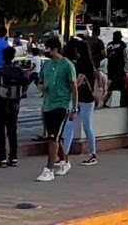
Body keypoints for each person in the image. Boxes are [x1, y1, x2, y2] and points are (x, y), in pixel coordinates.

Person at [35, 37, 77, 183]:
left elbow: (73, 87)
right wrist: (41, 87)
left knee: (53, 137)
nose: (46, 52)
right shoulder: (46, 65)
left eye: (48, 49)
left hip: (62, 105)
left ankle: (49, 169)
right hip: (48, 104)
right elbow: (40, 82)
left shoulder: (67, 65)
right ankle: (65, 161)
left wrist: (74, 108)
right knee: (53, 136)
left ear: (55, 49)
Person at [63, 39, 101, 165]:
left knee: (73, 125)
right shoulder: (89, 62)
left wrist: (67, 88)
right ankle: (91, 154)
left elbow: (77, 82)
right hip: (86, 98)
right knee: (85, 125)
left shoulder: (82, 64)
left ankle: (65, 153)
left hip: (82, 97)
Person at [0, 45, 27, 168]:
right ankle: (14, 157)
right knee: (12, 130)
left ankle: (2, 158)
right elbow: (25, 84)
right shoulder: (19, 71)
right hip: (14, 104)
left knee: (0, 132)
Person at [105, 31, 127, 104]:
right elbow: (125, 57)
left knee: (111, 86)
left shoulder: (109, 45)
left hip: (111, 69)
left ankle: (109, 101)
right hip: (120, 70)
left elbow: (106, 55)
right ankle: (122, 100)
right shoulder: (122, 45)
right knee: (122, 86)